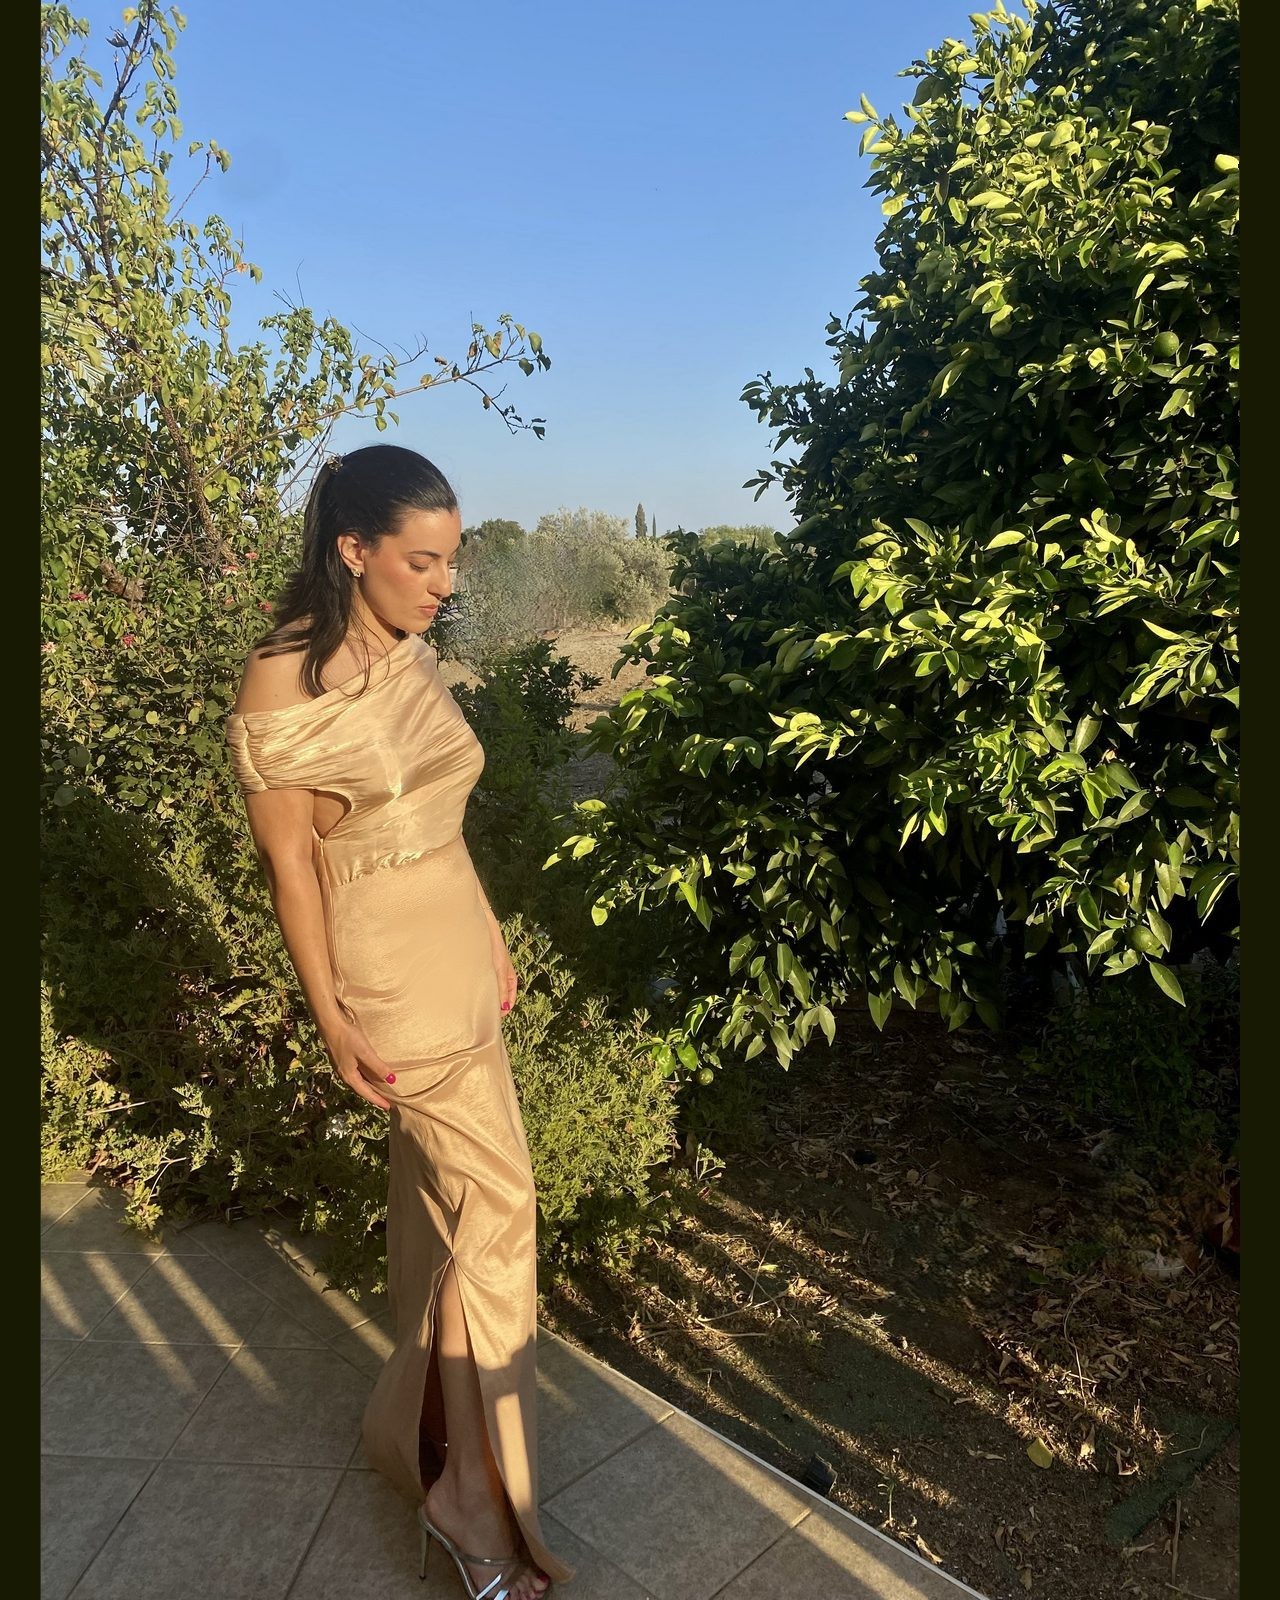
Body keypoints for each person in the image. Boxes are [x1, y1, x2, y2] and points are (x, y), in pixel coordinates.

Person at [225, 444, 573, 1599]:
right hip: (387, 975)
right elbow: (291, 867)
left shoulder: (406, 652)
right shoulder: (282, 679)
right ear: (352, 548)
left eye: (451, 560)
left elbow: (437, 808)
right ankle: (470, 1496)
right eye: (421, 561)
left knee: (445, 1217)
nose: (443, 584)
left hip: (456, 948)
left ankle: (413, 1439)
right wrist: (329, 1014)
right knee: (499, 1212)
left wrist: (488, 925)